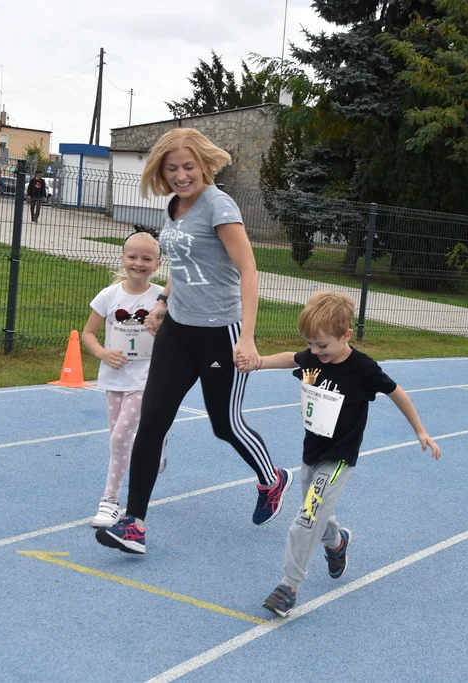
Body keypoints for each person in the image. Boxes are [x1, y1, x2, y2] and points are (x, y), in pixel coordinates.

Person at [94, 128, 292, 556]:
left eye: (188, 166)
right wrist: (164, 300)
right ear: (160, 171)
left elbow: (249, 271)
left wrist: (250, 338)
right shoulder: (174, 206)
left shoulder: (219, 205)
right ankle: (134, 523)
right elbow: (184, 264)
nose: (181, 175)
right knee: (152, 421)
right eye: (172, 168)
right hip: (177, 331)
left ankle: (272, 479)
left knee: (225, 425)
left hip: (220, 334)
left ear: (204, 164)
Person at [237, 291, 442, 618]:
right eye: (311, 345)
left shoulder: (362, 368)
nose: (316, 352)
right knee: (317, 514)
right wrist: (259, 362)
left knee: (305, 519)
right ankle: (336, 542)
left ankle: (288, 586)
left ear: (346, 336)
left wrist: (419, 429)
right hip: (311, 453)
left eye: (322, 345)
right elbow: (294, 357)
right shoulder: (313, 356)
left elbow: (395, 392)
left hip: (339, 458)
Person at [81, 231, 165, 529]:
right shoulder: (108, 295)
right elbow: (87, 333)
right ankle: (156, 445)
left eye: (146, 258)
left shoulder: (160, 297)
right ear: (122, 258)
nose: (138, 263)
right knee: (117, 437)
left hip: (146, 378)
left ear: (157, 264)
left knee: (120, 438)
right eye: (133, 257)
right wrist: (103, 353)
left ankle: (110, 500)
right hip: (114, 377)